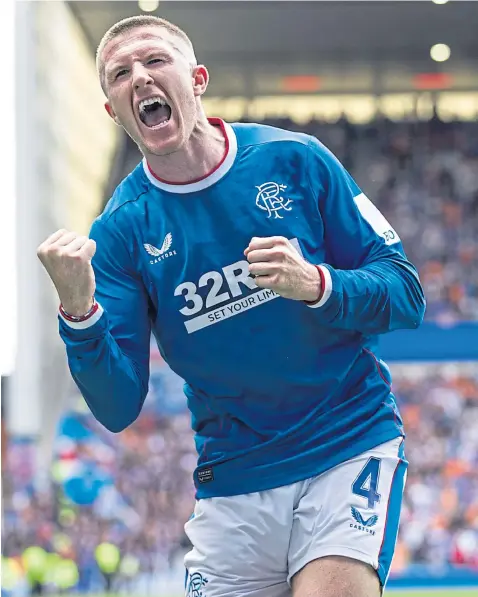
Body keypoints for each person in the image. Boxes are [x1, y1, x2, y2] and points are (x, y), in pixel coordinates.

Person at [37, 15, 426, 597]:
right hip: (235, 480)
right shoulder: (120, 231)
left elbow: (405, 292)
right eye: (120, 74)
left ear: (196, 79)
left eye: (154, 62)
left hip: (348, 442)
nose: (139, 77)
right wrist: (78, 310)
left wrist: (318, 284)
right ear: (113, 111)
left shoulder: (296, 160)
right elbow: (117, 406)